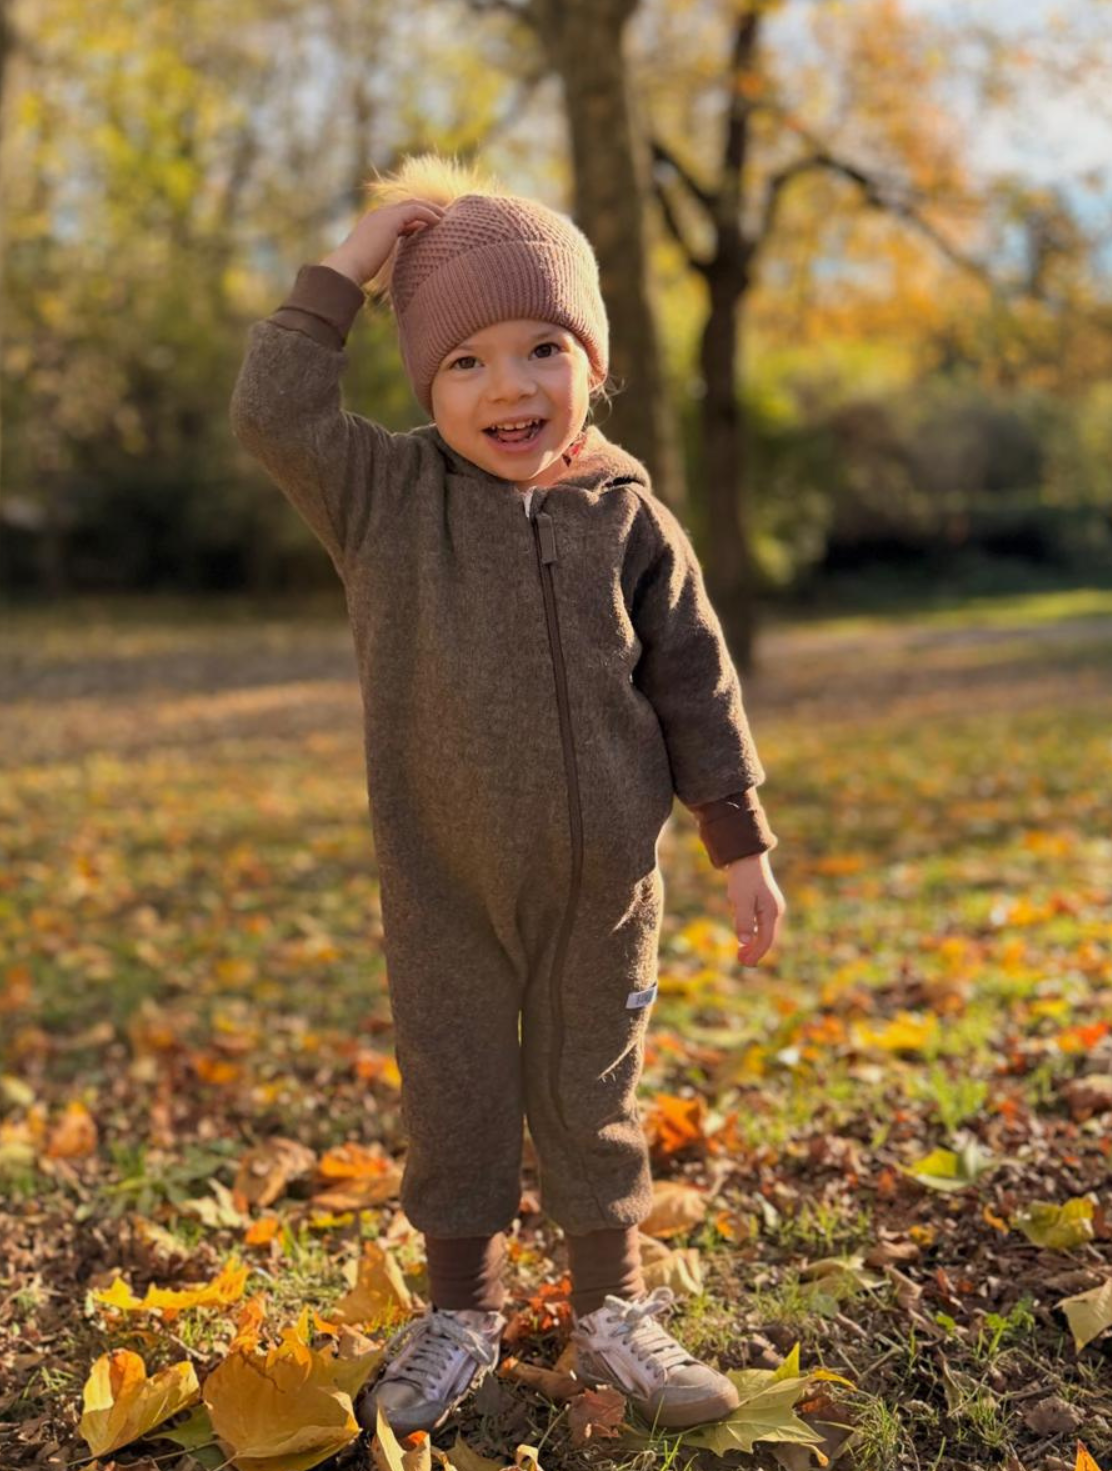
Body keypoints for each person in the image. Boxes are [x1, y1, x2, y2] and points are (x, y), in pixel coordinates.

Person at [228, 152, 786, 1435]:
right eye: (465, 362)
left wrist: (738, 838)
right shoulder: (384, 497)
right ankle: (461, 1310)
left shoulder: (631, 517)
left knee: (593, 1100)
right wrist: (360, 256)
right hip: (444, 885)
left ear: (591, 360)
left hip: (604, 884)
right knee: (459, 1094)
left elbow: (697, 686)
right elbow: (272, 409)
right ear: (428, 385)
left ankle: (613, 1312)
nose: (509, 387)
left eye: (541, 346)